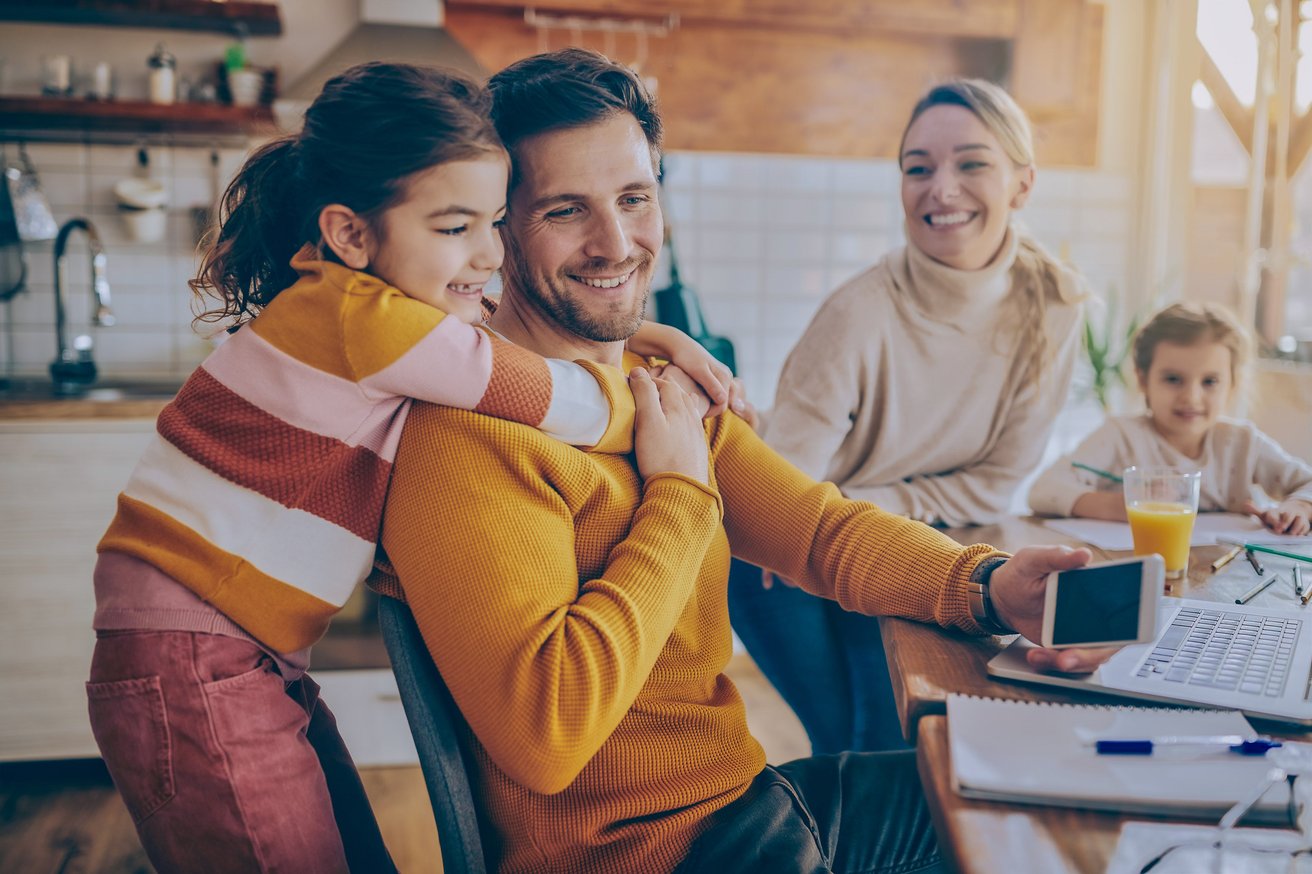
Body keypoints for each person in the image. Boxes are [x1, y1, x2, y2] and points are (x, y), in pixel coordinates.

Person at [373, 48, 1109, 874]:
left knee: (1039, 802)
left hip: (744, 806)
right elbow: (548, 735)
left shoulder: (657, 390)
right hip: (654, 858)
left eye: (634, 198)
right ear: (497, 228)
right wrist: (681, 492)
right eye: (564, 211)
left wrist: (990, 584)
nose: (616, 242)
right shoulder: (466, 437)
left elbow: (821, 532)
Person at [85, 61, 728, 874]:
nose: (491, 255)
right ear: (354, 235)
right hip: (191, 653)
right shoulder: (378, 325)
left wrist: (654, 341)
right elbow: (566, 401)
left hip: (226, 647)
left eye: (497, 222)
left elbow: (516, 341)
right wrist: (669, 405)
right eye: (456, 227)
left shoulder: (359, 305)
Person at [726, 78, 1089, 754]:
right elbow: (783, 498)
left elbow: (995, 481)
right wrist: (879, 514)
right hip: (781, 555)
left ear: (1022, 184)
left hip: (902, 535)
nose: (940, 188)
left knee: (894, 742)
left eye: (971, 163)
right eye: (917, 168)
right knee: (862, 746)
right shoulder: (857, 314)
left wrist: (875, 505)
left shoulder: (1054, 306)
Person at [1029, 301, 1312, 534]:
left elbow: (1306, 483)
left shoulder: (1242, 443)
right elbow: (1043, 490)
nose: (1191, 397)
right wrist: (1119, 506)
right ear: (1143, 380)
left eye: (1210, 381)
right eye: (1173, 379)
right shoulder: (1120, 436)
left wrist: (1298, 507)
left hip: (1226, 578)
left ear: (1233, 384)